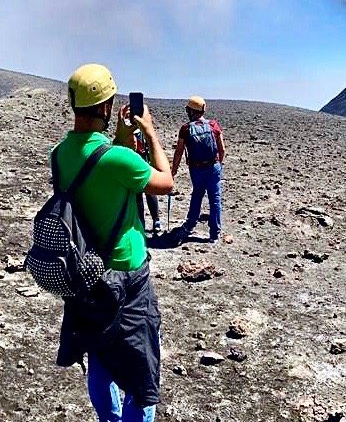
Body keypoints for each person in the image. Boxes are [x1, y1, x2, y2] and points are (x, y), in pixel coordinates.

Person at [54, 63, 174, 421]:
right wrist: (149, 133)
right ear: (106, 107)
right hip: (128, 277)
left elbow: (99, 170)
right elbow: (166, 182)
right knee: (141, 374)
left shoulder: (59, 154)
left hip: (87, 273)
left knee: (100, 353)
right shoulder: (119, 158)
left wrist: (119, 137)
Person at [171, 96, 225, 243]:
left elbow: (179, 151)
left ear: (190, 111)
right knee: (215, 199)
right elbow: (222, 150)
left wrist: (173, 170)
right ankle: (214, 233)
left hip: (196, 169)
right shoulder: (213, 125)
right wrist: (218, 165)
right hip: (213, 167)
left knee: (197, 196)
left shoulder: (186, 128)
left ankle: (190, 225)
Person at [135, 130, 162, 234]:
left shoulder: (134, 132)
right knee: (148, 193)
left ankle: (143, 223)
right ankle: (156, 221)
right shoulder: (145, 131)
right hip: (146, 164)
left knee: (139, 196)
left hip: (139, 165)